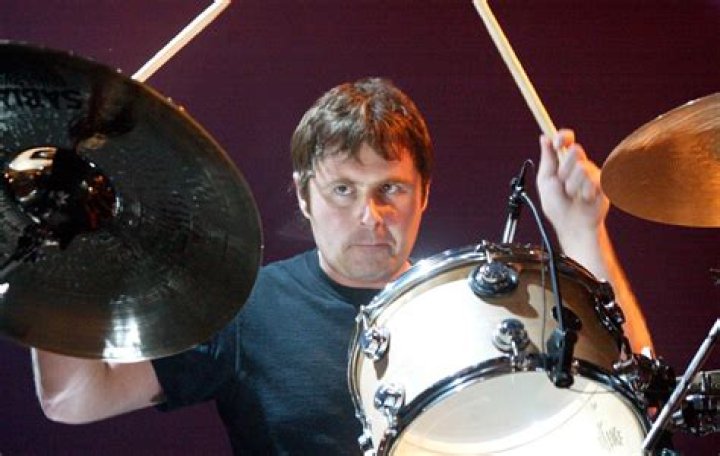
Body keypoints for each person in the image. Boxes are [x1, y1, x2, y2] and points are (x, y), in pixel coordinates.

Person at [31, 77, 654, 454]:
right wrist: (53, 239)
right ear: (304, 197)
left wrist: (582, 229)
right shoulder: (245, 309)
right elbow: (75, 398)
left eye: (391, 189)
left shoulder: (477, 304)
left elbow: (635, 392)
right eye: (342, 190)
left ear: (424, 194)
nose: (369, 215)